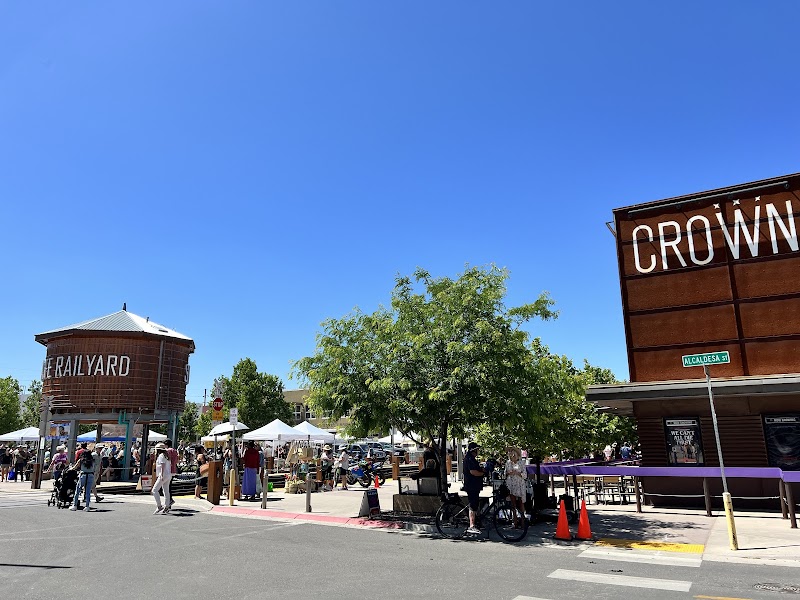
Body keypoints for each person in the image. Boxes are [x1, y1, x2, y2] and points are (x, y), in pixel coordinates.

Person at [463, 441, 486, 534]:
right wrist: (483, 473)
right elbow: (473, 472)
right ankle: (471, 525)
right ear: (474, 450)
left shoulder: (472, 458)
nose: (478, 451)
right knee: (472, 505)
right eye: (477, 450)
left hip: (474, 485)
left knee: (475, 503)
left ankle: (476, 522)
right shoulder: (469, 459)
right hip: (471, 485)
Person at [504, 447, 527, 529]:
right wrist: (508, 473)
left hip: (519, 484)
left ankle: (523, 522)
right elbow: (505, 474)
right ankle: (515, 522)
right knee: (513, 504)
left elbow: (525, 475)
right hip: (511, 484)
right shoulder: (508, 463)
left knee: (521, 503)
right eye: (511, 454)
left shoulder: (521, 463)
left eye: (514, 454)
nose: (513, 456)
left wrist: (518, 473)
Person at [70, 444, 96, 511]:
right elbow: (94, 469)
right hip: (90, 475)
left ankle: (75, 505)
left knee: (78, 490)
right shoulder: (92, 461)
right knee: (87, 491)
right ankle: (87, 506)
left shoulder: (81, 460)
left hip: (83, 475)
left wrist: (70, 469)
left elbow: (74, 467)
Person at [151, 443, 172, 515]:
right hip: (168, 475)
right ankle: (167, 506)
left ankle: (159, 505)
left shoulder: (161, 456)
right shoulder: (166, 456)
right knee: (166, 490)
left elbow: (162, 465)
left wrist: (161, 475)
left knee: (154, 490)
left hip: (163, 475)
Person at [164, 439, 180, 508]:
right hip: (173, 469)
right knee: (169, 486)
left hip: (168, 470)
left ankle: (169, 500)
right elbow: (177, 460)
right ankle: (169, 500)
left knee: (166, 487)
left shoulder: (168, 451)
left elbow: (167, 459)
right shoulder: (175, 451)